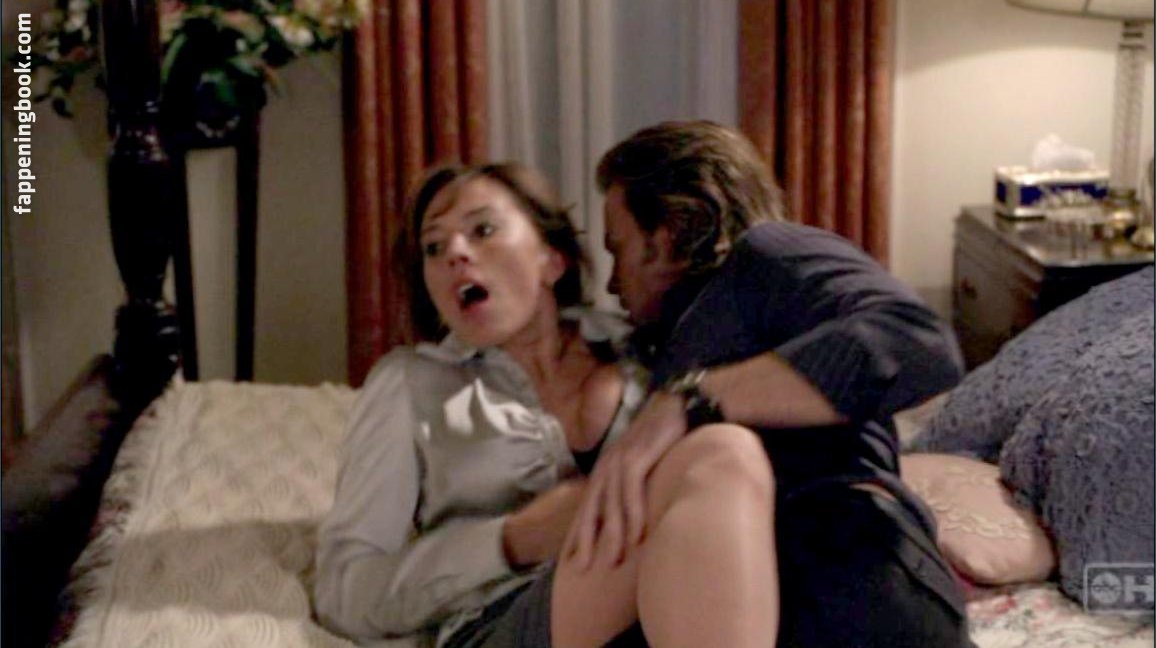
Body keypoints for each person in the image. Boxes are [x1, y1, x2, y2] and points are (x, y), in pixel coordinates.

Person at [314, 162, 780, 648]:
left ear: (551, 259)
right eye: (433, 247)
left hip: (665, 615)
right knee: (718, 453)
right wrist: (512, 539)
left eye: (482, 230)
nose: (454, 252)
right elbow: (341, 593)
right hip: (501, 624)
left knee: (729, 450)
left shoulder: (646, 351)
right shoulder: (409, 382)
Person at [562, 120, 974, 647]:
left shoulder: (767, 256)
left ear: (671, 232)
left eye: (617, 249)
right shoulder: (660, 351)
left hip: (847, 559)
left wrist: (694, 401)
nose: (613, 281)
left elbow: (918, 344)